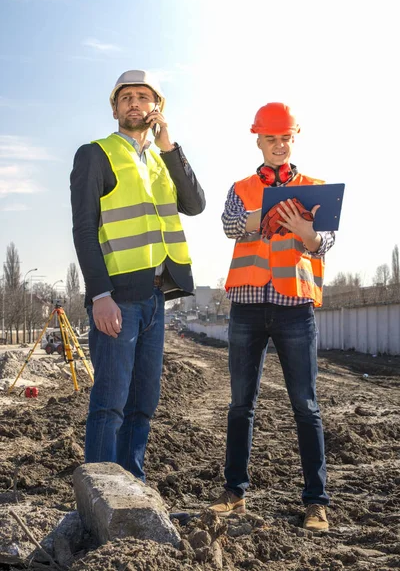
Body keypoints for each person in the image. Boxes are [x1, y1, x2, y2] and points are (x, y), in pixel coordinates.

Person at [70, 70, 205, 482]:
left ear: (156, 108)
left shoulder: (162, 161)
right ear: (114, 108)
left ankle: (133, 490)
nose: (134, 103)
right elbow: (84, 228)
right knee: (110, 403)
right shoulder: (96, 154)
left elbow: (195, 204)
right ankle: (99, 495)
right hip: (118, 298)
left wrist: (170, 147)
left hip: (155, 298)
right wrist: (99, 295)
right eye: (126, 97)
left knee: (143, 404)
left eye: (144, 97)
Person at [208, 102, 334, 532]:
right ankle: (234, 492)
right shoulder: (241, 187)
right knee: (241, 405)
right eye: (270, 139)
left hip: (295, 308)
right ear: (258, 140)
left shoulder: (315, 188)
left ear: (294, 137)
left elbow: (325, 242)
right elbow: (228, 225)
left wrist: (306, 233)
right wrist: (260, 216)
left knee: (306, 406)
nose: (279, 145)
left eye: (285, 138)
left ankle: (316, 502)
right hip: (246, 306)